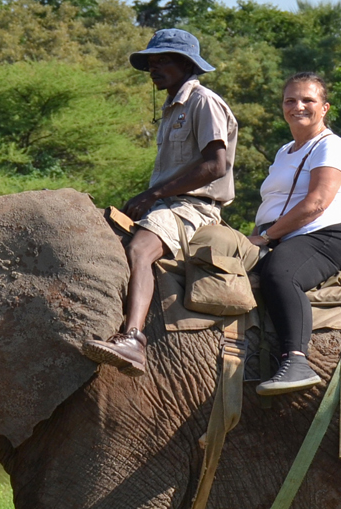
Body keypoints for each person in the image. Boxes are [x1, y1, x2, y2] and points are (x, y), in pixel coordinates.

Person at [82, 29, 238, 377]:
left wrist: (153, 195)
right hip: (166, 205)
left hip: (193, 207)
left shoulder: (204, 102)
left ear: (186, 64)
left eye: (163, 60)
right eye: (151, 62)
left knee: (140, 250)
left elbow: (216, 165)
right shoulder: (171, 110)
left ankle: (134, 339)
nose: (154, 68)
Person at [249, 72, 341, 396]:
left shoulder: (332, 146)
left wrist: (267, 238)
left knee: (280, 272)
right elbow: (273, 202)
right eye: (290, 100)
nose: (298, 106)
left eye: (307, 100)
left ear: (324, 108)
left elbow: (316, 204)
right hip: (285, 233)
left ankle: (296, 362)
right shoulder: (285, 151)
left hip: (328, 233)